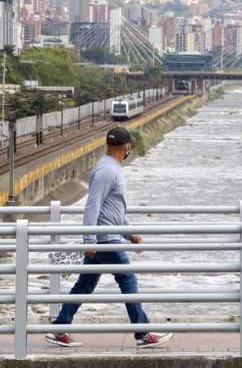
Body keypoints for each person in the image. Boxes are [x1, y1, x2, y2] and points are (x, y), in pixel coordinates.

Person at [45, 126, 174, 349]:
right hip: (104, 241)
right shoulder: (106, 170)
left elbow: (112, 211)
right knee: (128, 280)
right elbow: (92, 206)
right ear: (126, 147)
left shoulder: (111, 168)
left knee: (84, 285)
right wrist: (89, 240)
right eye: (129, 147)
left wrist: (130, 234)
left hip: (104, 238)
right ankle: (143, 333)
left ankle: (60, 327)